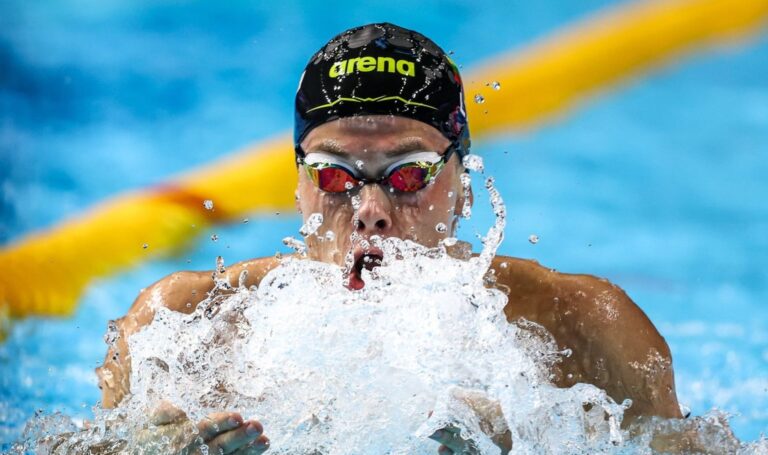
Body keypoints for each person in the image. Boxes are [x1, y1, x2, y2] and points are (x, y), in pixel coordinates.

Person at [96, 23, 683, 454]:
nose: (370, 211)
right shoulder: (182, 324)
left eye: (408, 175)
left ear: (464, 187)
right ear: (297, 187)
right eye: (333, 175)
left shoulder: (583, 325)